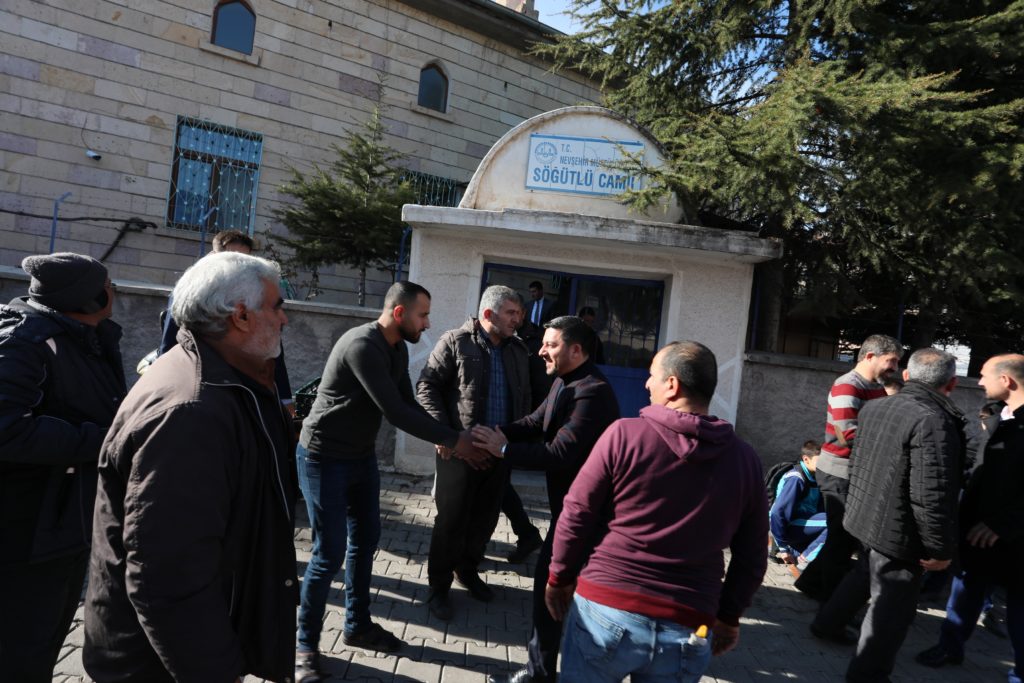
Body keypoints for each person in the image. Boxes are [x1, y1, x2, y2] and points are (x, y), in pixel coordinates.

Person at [82, 252, 297, 682]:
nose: (284, 319)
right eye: (277, 306)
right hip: (156, 663)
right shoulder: (192, 411)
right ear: (240, 316)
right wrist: (217, 672)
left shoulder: (228, 376)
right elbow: (168, 575)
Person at [295, 281, 488, 682]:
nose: (427, 323)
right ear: (399, 313)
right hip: (323, 457)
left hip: (359, 457)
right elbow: (394, 412)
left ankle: (357, 626)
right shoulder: (362, 346)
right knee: (328, 554)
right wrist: (455, 440)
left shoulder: (396, 347)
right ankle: (304, 647)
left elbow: (407, 404)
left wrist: (445, 437)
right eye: (423, 314)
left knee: (366, 540)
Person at [545, 341, 768, 682]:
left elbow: (577, 512)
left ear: (672, 385)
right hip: (690, 622)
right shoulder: (745, 460)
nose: (647, 383)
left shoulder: (622, 435)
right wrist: (729, 616)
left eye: (652, 375)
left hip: (606, 610)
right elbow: (752, 555)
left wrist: (559, 576)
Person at [474, 316, 620, 683]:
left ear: (577, 350)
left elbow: (559, 455)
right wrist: (490, 434)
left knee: (553, 589)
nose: (540, 350)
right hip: (570, 512)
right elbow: (534, 422)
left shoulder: (592, 393)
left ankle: (542, 674)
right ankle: (545, 671)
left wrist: (503, 450)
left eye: (550, 344)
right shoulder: (564, 381)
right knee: (554, 592)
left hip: (588, 518)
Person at [0, 253, 125, 683]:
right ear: (88, 298)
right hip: (28, 530)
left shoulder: (86, 336)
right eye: (107, 286)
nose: (113, 293)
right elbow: (7, 429)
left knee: (45, 639)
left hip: (66, 521)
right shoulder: (26, 342)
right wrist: (104, 439)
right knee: (21, 646)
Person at [837, 348, 965, 682]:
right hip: (900, 535)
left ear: (906, 375)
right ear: (952, 384)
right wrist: (939, 549)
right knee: (889, 616)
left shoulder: (876, 406)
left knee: (870, 587)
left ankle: (828, 625)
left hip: (870, 519)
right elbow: (931, 493)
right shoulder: (932, 420)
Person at [417, 285, 533, 620]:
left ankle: (467, 572)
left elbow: (524, 400)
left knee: (485, 520)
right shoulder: (455, 341)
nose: (517, 320)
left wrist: (515, 444)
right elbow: (427, 386)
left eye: (519, 314)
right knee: (450, 522)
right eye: (511, 313)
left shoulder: (518, 350)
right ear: (488, 313)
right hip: (457, 452)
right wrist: (445, 435)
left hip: (499, 454)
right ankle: (438, 587)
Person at [916, 354, 1024, 683]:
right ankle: (949, 647)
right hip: (976, 530)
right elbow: (981, 466)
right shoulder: (997, 416)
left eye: (984, 375)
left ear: (1006, 380)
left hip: (1014, 538)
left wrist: (1003, 524)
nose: (978, 382)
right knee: (964, 592)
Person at [795, 334, 903, 602]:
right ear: (870, 356)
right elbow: (845, 434)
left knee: (843, 539)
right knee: (842, 540)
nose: (895, 368)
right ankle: (831, 602)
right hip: (839, 473)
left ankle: (810, 583)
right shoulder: (848, 386)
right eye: (891, 361)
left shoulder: (875, 387)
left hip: (855, 471)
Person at [156, 229, 295, 415]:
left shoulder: (257, 293)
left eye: (245, 259)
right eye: (233, 257)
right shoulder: (192, 292)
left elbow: (272, 351)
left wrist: (285, 399)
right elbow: (169, 345)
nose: (241, 266)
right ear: (214, 255)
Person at [770, 440, 827, 566]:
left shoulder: (815, 476)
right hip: (791, 527)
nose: (824, 466)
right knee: (833, 523)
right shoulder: (796, 479)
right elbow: (776, 513)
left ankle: (798, 552)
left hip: (804, 525)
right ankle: (805, 560)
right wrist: (783, 548)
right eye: (820, 462)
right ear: (806, 459)